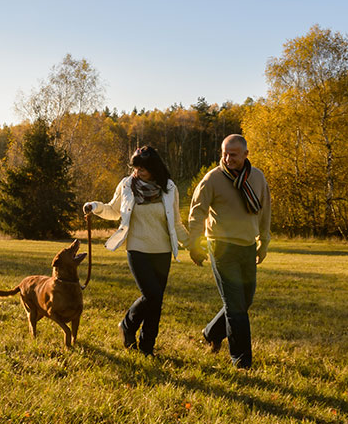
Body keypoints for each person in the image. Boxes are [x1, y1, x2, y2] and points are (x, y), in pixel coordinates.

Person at [83, 146, 189, 357]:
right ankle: (127, 325)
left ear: (154, 168)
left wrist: (193, 245)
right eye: (135, 167)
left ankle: (147, 347)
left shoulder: (169, 188)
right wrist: (94, 206)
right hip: (137, 248)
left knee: (156, 302)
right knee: (152, 294)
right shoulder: (127, 185)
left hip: (162, 251)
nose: (137, 172)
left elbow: (176, 223)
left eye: (143, 168)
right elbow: (114, 210)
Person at [188, 134, 271, 369]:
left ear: (246, 154)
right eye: (224, 153)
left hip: (247, 246)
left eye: (233, 154)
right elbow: (196, 213)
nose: (227, 158)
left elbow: (265, 212)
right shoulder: (212, 179)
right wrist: (194, 245)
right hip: (221, 246)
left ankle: (211, 332)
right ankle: (241, 360)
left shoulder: (257, 177)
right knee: (235, 306)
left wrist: (263, 242)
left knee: (244, 300)